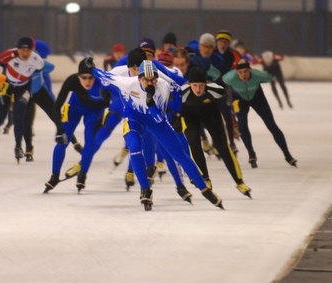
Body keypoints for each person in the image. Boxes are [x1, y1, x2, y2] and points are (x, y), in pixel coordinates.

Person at [91, 59, 224, 211]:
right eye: (146, 80)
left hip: (156, 120)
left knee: (179, 154)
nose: (149, 83)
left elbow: (159, 118)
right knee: (134, 147)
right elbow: (105, 76)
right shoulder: (128, 83)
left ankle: (205, 190)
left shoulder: (163, 87)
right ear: (139, 78)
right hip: (134, 119)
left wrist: (151, 103)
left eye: (153, 80)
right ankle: (145, 188)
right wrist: (90, 68)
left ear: (157, 79)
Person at [181, 67, 251, 197]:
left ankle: (239, 182)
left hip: (211, 117)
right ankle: (205, 178)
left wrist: (234, 115)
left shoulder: (215, 89)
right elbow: (172, 107)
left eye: (201, 86)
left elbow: (228, 102)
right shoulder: (182, 92)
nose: (198, 89)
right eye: (194, 85)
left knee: (224, 148)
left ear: (206, 84)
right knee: (194, 145)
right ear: (189, 84)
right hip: (190, 118)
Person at [43, 58, 110, 193]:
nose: (87, 81)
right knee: (63, 140)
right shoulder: (72, 81)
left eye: (91, 78)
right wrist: (59, 128)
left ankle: (82, 174)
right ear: (78, 76)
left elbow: (114, 102)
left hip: (95, 111)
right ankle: (54, 176)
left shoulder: (103, 82)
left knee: (90, 139)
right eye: (83, 78)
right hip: (75, 107)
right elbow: (56, 107)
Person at [222, 59, 298, 168]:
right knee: (242, 125)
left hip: (258, 98)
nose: (243, 75)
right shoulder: (229, 78)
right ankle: (251, 153)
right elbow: (222, 83)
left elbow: (271, 77)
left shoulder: (260, 75)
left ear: (250, 70)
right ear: (236, 72)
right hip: (238, 100)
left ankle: (287, 155)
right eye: (240, 72)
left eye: (246, 72)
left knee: (272, 125)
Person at [0, 37, 59, 162]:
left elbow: (47, 81)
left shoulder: (38, 63)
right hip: (26, 93)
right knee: (24, 120)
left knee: (32, 119)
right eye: (22, 50)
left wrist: (52, 99)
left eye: (28, 51)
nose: (25, 54)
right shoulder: (18, 62)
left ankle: (71, 140)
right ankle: (26, 147)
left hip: (36, 93)